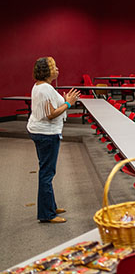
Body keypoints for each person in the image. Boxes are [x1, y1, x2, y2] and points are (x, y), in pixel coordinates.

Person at [27, 57, 81, 223]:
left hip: (40, 132)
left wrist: (62, 101)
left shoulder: (41, 86)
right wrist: (69, 104)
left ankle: (50, 205)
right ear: (46, 71)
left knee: (46, 171)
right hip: (47, 135)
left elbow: (50, 107)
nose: (57, 69)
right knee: (47, 173)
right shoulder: (45, 89)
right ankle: (47, 214)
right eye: (54, 67)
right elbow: (51, 115)